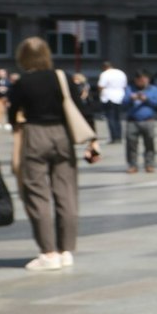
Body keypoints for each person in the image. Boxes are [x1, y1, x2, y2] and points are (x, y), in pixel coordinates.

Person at [8, 37, 100, 271]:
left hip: (35, 134)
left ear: (23, 57)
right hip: (62, 136)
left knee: (37, 193)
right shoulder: (62, 77)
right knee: (66, 192)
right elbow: (81, 109)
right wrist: (93, 142)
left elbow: (12, 115)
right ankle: (65, 250)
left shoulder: (22, 83)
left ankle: (48, 253)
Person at [124, 71, 157, 174]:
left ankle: (149, 164)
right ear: (135, 80)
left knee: (149, 144)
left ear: (147, 79)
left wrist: (147, 99)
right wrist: (131, 98)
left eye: (144, 79)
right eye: (139, 80)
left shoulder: (154, 89)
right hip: (132, 121)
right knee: (131, 144)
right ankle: (132, 165)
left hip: (148, 121)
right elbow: (123, 102)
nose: (142, 82)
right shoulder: (129, 88)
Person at [96, 59, 128, 144]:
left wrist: (100, 95)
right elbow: (124, 86)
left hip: (108, 97)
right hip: (120, 97)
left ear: (104, 67)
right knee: (118, 118)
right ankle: (119, 136)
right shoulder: (121, 73)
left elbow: (100, 86)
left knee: (111, 118)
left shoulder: (105, 74)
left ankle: (114, 137)